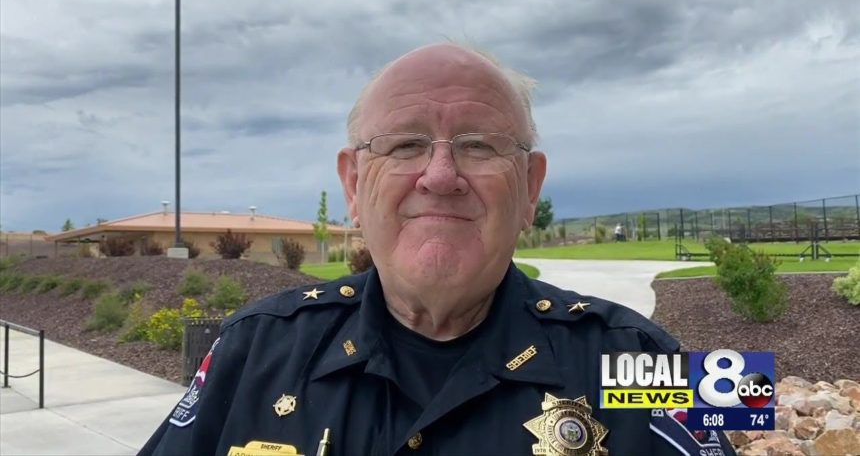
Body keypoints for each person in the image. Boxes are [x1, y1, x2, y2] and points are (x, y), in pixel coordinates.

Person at [140, 44, 736, 456]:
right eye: (405, 145)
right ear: (353, 185)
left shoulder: (641, 357)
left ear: (530, 188)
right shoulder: (251, 349)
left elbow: (743, 395)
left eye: (479, 146)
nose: (442, 175)